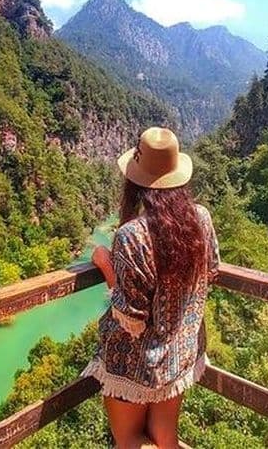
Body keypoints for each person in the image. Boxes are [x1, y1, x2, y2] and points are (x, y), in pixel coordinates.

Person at [82, 127, 220, 449]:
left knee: (129, 439)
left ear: (134, 180)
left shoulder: (133, 235)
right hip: (181, 354)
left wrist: (104, 263)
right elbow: (211, 271)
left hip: (137, 363)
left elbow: (131, 316)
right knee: (165, 438)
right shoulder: (201, 218)